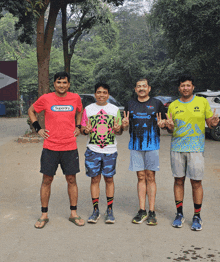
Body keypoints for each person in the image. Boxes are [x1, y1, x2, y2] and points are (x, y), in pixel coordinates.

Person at [28, 71, 85, 228]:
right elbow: (31, 111)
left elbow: (80, 110)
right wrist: (38, 128)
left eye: (64, 82)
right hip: (50, 147)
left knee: (71, 180)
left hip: (69, 146)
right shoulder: (46, 99)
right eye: (59, 82)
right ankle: (44, 215)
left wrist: (78, 126)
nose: (62, 85)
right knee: (47, 180)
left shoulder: (75, 98)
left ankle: (73, 213)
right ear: (54, 84)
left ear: (69, 84)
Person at [166, 74, 219, 231]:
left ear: (193, 87)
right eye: (182, 85)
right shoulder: (173, 105)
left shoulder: (202, 102)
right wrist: (168, 127)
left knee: (196, 182)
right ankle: (179, 214)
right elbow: (171, 129)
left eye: (188, 85)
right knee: (178, 181)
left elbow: (210, 123)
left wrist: (214, 123)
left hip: (196, 149)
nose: (185, 88)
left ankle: (197, 216)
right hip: (177, 148)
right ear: (179, 87)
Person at [122, 78, 166, 225]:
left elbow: (164, 123)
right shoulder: (130, 104)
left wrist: (163, 124)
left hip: (152, 145)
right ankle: (142, 211)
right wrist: (124, 125)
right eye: (139, 86)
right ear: (135, 89)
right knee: (141, 177)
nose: (141, 88)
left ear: (149, 88)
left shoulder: (157, 104)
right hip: (135, 145)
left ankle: (152, 212)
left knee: (150, 177)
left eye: (144, 86)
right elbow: (125, 126)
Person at [81, 83, 122, 224]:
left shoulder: (114, 109)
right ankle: (95, 210)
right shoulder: (88, 109)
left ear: (108, 95)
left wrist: (119, 129)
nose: (101, 95)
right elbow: (83, 130)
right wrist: (86, 130)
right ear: (95, 94)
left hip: (110, 150)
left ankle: (109, 210)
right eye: (99, 92)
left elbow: (120, 131)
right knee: (94, 179)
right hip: (93, 150)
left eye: (104, 92)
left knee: (109, 179)